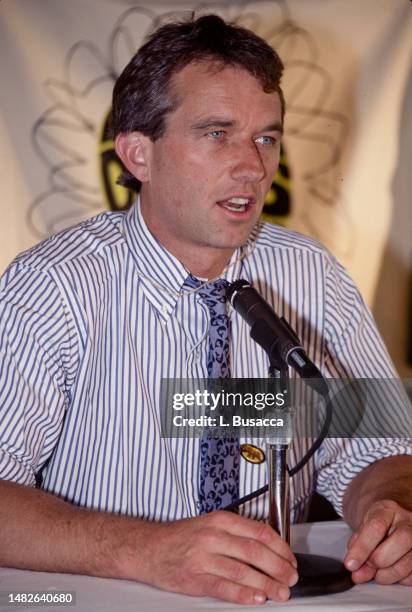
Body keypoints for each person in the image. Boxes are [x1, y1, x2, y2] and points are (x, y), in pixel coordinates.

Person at [0, 13, 411, 606]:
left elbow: (383, 451)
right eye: (217, 133)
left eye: (266, 138)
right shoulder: (56, 285)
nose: (253, 166)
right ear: (138, 154)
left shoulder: (311, 277)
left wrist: (389, 512)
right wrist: (146, 549)